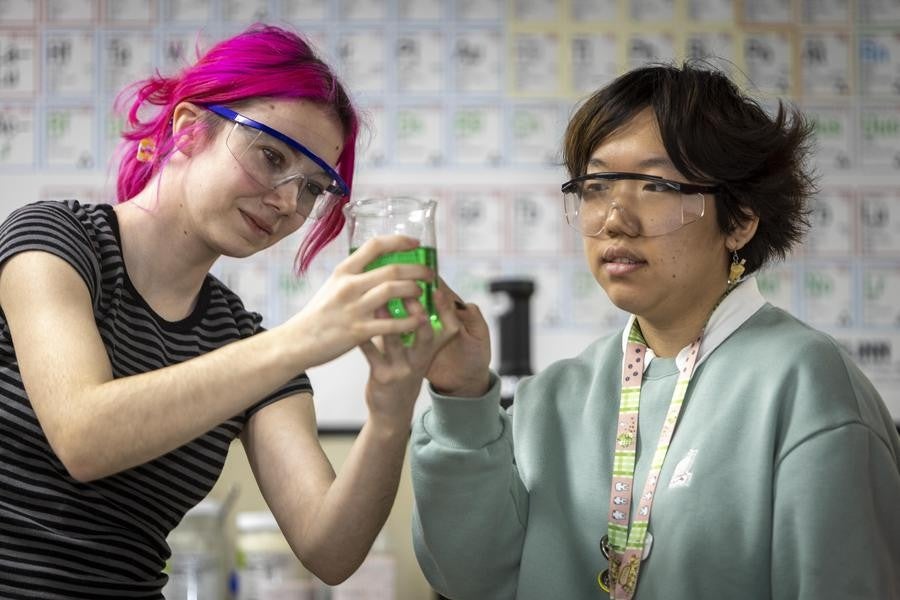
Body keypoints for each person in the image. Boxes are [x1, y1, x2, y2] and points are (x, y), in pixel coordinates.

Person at [0, 24, 458, 598]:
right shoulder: (54, 240)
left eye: (314, 188)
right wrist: (306, 337)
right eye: (271, 156)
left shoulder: (241, 338)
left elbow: (330, 549)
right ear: (190, 128)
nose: (289, 202)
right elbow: (83, 437)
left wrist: (391, 408)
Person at [411, 63, 900, 600]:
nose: (615, 219)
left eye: (657, 185)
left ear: (739, 219)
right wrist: (460, 395)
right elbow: (469, 579)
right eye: (596, 186)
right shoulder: (553, 397)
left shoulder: (806, 384)